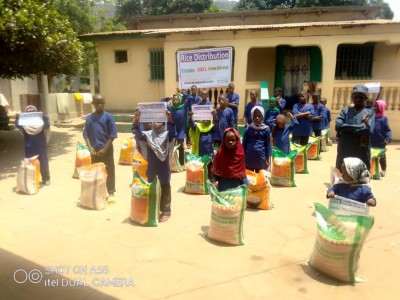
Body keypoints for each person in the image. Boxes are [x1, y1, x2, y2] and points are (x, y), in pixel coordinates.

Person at [133, 109, 176, 222]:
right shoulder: (148, 135)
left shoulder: (167, 134)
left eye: (159, 121)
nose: (156, 123)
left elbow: (173, 132)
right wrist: (137, 119)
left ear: (163, 122)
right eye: (154, 121)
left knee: (165, 187)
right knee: (152, 187)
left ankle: (166, 210)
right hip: (152, 166)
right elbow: (138, 134)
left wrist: (169, 118)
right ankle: (154, 208)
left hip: (163, 167)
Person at [83, 94, 118, 202]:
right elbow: (86, 134)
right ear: (93, 103)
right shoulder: (89, 118)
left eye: (102, 103)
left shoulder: (108, 117)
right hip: (94, 151)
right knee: (96, 172)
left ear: (104, 104)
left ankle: (111, 191)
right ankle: (98, 191)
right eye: (97, 102)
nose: (99, 105)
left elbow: (112, 135)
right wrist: (90, 147)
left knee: (109, 170)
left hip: (106, 150)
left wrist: (104, 150)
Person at [335, 85, 374, 171]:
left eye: (361, 97)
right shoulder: (345, 111)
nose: (358, 99)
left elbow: (368, 129)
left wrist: (346, 129)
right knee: (343, 172)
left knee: (361, 174)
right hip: (345, 148)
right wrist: (361, 126)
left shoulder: (370, 113)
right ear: (352, 97)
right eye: (355, 97)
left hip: (361, 149)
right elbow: (338, 126)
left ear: (366, 98)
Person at [16, 105, 51, 185]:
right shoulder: (25, 124)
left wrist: (44, 116)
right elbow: (18, 125)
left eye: (33, 113)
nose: (31, 115)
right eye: (28, 114)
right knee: (30, 162)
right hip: (29, 146)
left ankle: (46, 178)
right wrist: (18, 117)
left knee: (43, 161)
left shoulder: (40, 122)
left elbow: (47, 126)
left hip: (41, 145)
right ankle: (32, 179)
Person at [189, 110, 218, 180]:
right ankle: (201, 181)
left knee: (210, 167)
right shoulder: (198, 126)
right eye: (204, 118)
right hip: (199, 153)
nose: (205, 120)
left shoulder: (212, 128)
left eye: (207, 119)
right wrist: (190, 116)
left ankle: (211, 180)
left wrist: (215, 116)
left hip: (209, 153)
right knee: (200, 168)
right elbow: (192, 125)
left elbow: (216, 124)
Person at [242, 106, 271, 172]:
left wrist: (267, 159)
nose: (257, 118)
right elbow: (244, 144)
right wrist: (242, 157)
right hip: (249, 157)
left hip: (261, 158)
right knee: (250, 177)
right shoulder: (248, 129)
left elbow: (268, 145)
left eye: (259, 116)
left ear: (262, 116)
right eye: (255, 116)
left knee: (260, 177)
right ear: (252, 116)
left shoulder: (266, 129)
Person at [371, 100, 392, 177]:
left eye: (376, 106)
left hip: (380, 141)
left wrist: (388, 137)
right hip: (371, 140)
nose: (374, 107)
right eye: (374, 105)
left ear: (381, 107)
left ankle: (383, 169)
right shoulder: (371, 116)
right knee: (371, 156)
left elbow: (387, 130)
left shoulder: (384, 119)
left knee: (382, 157)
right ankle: (372, 170)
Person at [167, 93, 186, 167]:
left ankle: (182, 164)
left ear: (180, 100)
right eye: (173, 100)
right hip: (172, 129)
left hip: (181, 130)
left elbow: (188, 98)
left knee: (181, 147)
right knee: (171, 147)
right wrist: (168, 97)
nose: (175, 101)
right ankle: (172, 164)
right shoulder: (170, 108)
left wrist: (182, 94)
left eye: (177, 99)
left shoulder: (183, 107)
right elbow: (162, 102)